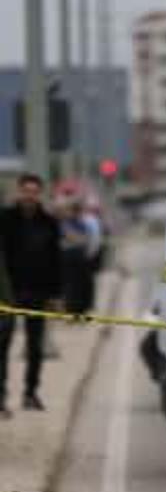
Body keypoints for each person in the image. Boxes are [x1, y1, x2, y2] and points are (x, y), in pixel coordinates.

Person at [0, 174, 64, 415]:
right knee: (2, 345)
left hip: (38, 292)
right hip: (8, 294)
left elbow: (56, 261)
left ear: (40, 194)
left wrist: (56, 296)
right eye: (26, 191)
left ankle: (30, 393)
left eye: (34, 191)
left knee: (35, 346)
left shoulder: (49, 223)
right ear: (19, 192)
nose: (30, 196)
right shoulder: (5, 219)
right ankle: (1, 396)